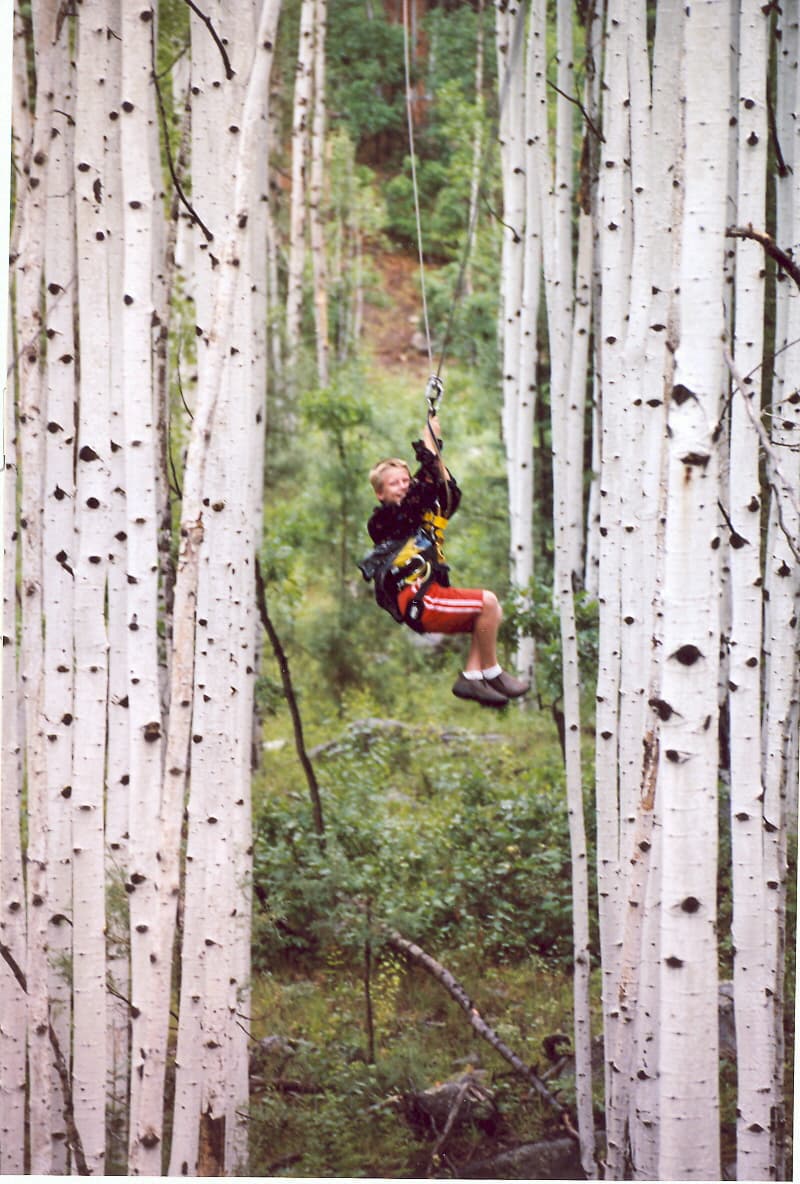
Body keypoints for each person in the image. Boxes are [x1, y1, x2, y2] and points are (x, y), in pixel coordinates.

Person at [360, 413, 530, 708]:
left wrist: (434, 450)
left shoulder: (421, 513)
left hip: (430, 596)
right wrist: (428, 443)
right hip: (417, 599)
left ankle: (473, 676)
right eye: (394, 484)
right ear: (380, 493)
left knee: (488, 613)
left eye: (405, 480)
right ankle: (491, 672)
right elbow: (419, 495)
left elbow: (447, 491)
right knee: (487, 602)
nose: (403, 485)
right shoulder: (384, 521)